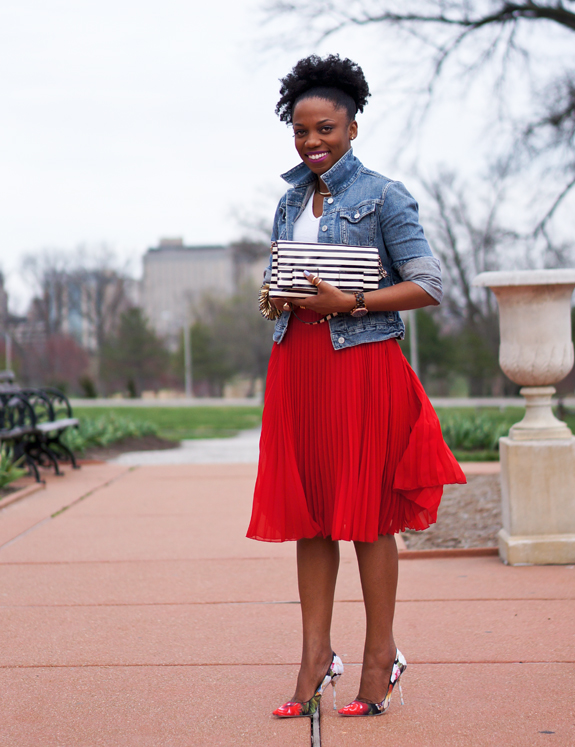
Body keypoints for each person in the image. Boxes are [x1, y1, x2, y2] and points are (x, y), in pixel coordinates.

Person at [246, 54, 466, 719]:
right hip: (298, 368)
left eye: (326, 129)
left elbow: (428, 282)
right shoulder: (288, 199)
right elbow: (280, 274)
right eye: (301, 131)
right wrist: (276, 299)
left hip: (361, 367)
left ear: (352, 126)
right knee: (311, 519)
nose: (312, 143)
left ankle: (380, 657)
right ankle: (315, 659)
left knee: (366, 518)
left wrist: (353, 301)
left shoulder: (384, 195)